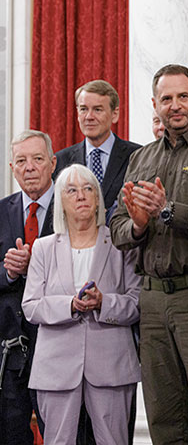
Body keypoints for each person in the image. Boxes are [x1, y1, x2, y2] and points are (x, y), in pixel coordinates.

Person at [110, 64, 188, 444]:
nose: (176, 105)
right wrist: (137, 224)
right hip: (150, 299)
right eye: (166, 99)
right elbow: (118, 229)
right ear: (155, 104)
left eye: (183, 96)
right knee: (163, 412)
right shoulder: (142, 157)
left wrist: (170, 210)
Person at [22, 164, 141, 444]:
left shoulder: (121, 244)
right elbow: (31, 306)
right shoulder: (43, 247)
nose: (81, 196)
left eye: (89, 189)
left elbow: (137, 303)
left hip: (112, 365)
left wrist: (104, 303)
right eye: (72, 190)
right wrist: (70, 306)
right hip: (57, 368)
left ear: (98, 198)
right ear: (60, 201)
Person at [0, 131, 56, 444]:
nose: (29, 167)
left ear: (53, 163)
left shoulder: (72, 209)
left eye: (37, 159)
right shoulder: (1, 210)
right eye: (21, 160)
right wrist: (8, 272)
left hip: (57, 342)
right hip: (9, 351)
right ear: (12, 167)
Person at [54, 80, 141, 214]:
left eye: (97, 110)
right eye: (83, 109)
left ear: (115, 114)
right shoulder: (61, 160)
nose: (89, 117)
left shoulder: (137, 156)